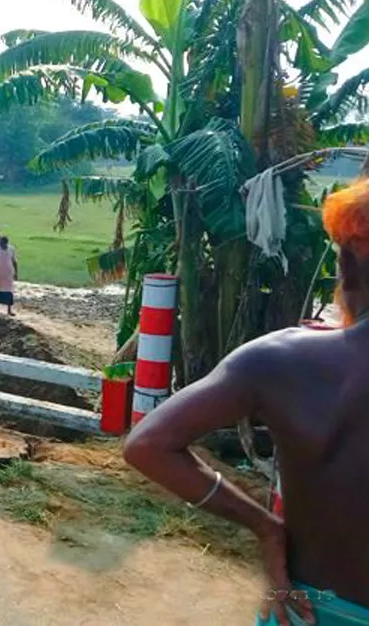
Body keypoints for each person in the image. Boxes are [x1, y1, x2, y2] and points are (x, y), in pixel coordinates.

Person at [124, 181, 369, 626]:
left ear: (348, 267)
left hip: (306, 611)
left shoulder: (281, 359)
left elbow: (147, 444)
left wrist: (266, 528)